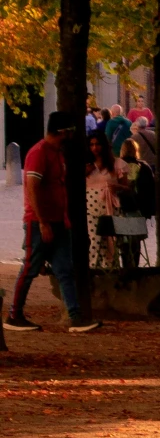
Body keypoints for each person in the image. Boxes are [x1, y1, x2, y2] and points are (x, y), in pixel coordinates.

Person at [6, 112, 99, 333]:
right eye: (69, 131)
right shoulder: (39, 153)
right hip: (41, 222)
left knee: (64, 269)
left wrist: (62, 219)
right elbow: (32, 188)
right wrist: (42, 222)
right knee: (30, 266)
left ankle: (75, 317)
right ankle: (14, 314)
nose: (71, 135)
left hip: (57, 221)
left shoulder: (57, 153)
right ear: (61, 131)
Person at [112, 139, 154, 268]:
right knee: (135, 241)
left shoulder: (120, 165)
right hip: (139, 208)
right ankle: (134, 267)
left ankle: (127, 267)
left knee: (125, 241)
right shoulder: (144, 166)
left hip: (125, 206)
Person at [85, 132, 119, 270]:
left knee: (111, 241)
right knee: (95, 239)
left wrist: (116, 187)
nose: (95, 148)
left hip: (110, 205)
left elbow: (127, 188)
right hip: (91, 205)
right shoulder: (86, 165)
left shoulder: (116, 164)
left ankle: (110, 268)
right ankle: (94, 268)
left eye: (97, 144)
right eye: (91, 144)